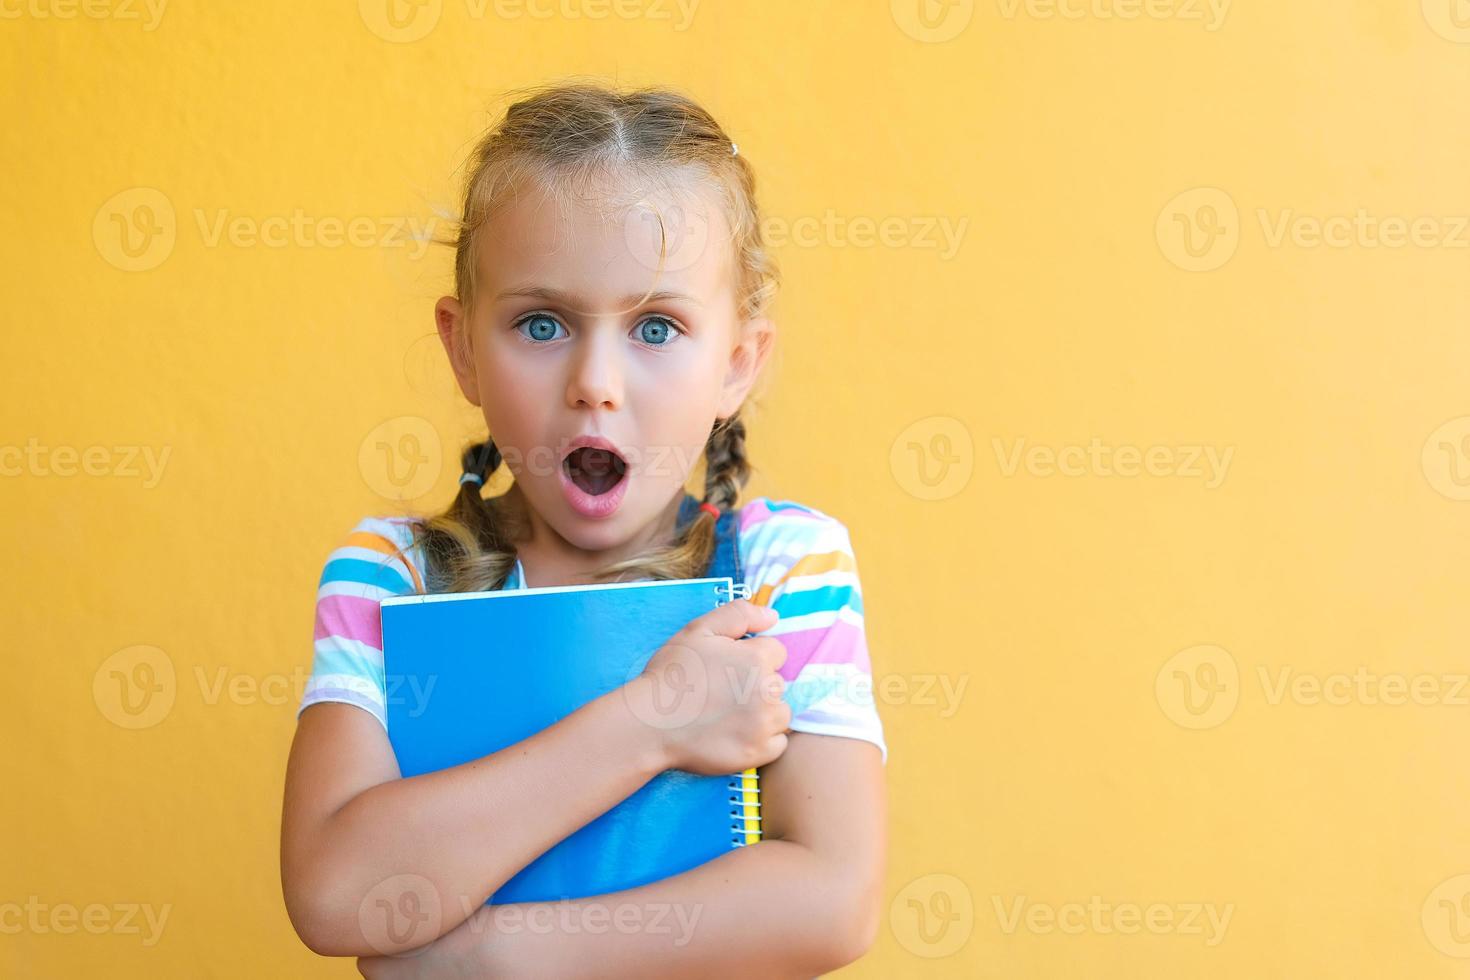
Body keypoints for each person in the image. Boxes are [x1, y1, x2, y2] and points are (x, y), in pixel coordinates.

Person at [280, 80, 887, 978]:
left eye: (656, 326)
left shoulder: (785, 565)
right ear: (462, 350)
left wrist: (501, 959)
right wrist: (651, 723)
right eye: (541, 322)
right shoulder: (394, 575)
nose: (595, 381)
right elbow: (336, 889)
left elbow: (831, 902)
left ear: (736, 364)